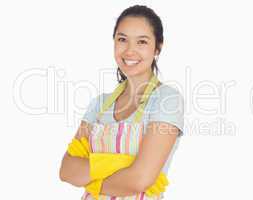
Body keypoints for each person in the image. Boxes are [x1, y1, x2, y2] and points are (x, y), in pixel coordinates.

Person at [59, 5, 184, 200]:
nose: (130, 51)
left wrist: (92, 177)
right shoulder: (99, 105)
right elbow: (67, 170)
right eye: (122, 40)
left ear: (158, 47)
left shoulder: (167, 100)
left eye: (141, 42)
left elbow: (140, 179)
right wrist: (123, 164)